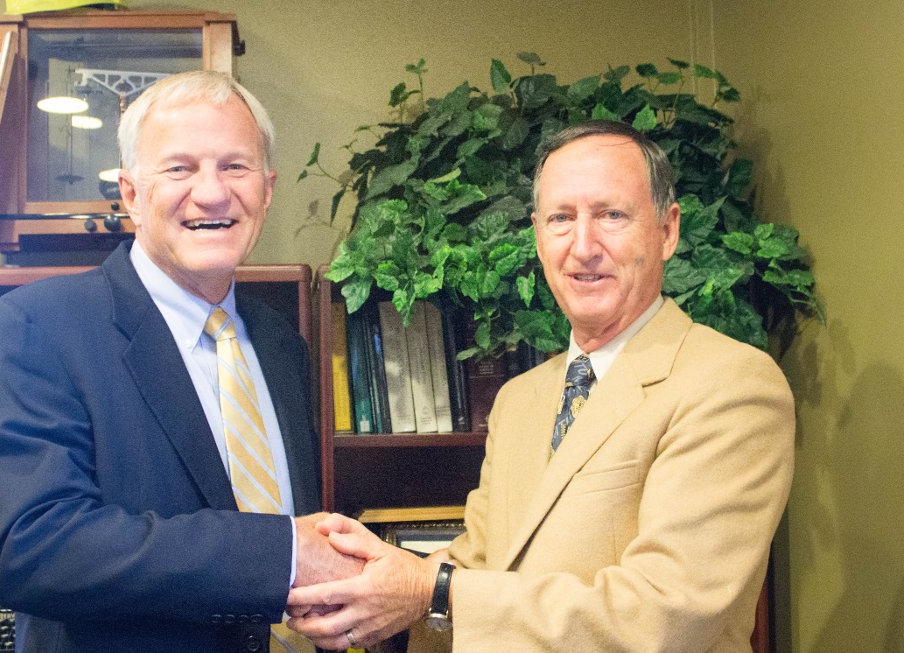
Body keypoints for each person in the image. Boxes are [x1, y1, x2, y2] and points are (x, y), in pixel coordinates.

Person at [285, 120, 796, 652]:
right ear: (536, 234)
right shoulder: (521, 399)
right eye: (560, 218)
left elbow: (664, 618)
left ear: (667, 231)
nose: (583, 246)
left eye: (611, 215)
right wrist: (361, 588)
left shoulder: (731, 385)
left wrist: (428, 588)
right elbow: (481, 562)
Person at [0, 70, 359, 653]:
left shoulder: (280, 344)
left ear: (268, 190)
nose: (213, 193)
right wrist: (285, 555)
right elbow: (29, 547)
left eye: (235, 166)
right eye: (179, 168)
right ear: (130, 194)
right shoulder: (35, 328)